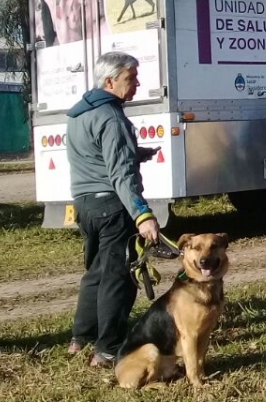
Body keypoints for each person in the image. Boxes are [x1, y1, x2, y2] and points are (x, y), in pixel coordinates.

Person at [66, 52, 160, 367]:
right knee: (118, 278)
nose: (136, 84)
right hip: (111, 206)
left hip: (85, 205)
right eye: (130, 78)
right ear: (110, 81)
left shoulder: (78, 113)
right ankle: (107, 349)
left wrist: (137, 152)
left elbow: (96, 157)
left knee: (95, 272)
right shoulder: (111, 116)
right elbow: (119, 174)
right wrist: (142, 215)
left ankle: (81, 337)